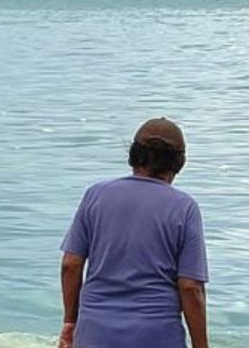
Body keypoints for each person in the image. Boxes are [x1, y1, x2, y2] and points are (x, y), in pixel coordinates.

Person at [58, 118, 208, 348]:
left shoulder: (96, 195)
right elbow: (191, 287)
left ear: (133, 155)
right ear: (180, 162)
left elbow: (71, 264)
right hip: (157, 336)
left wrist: (70, 322)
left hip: (94, 334)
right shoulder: (184, 208)